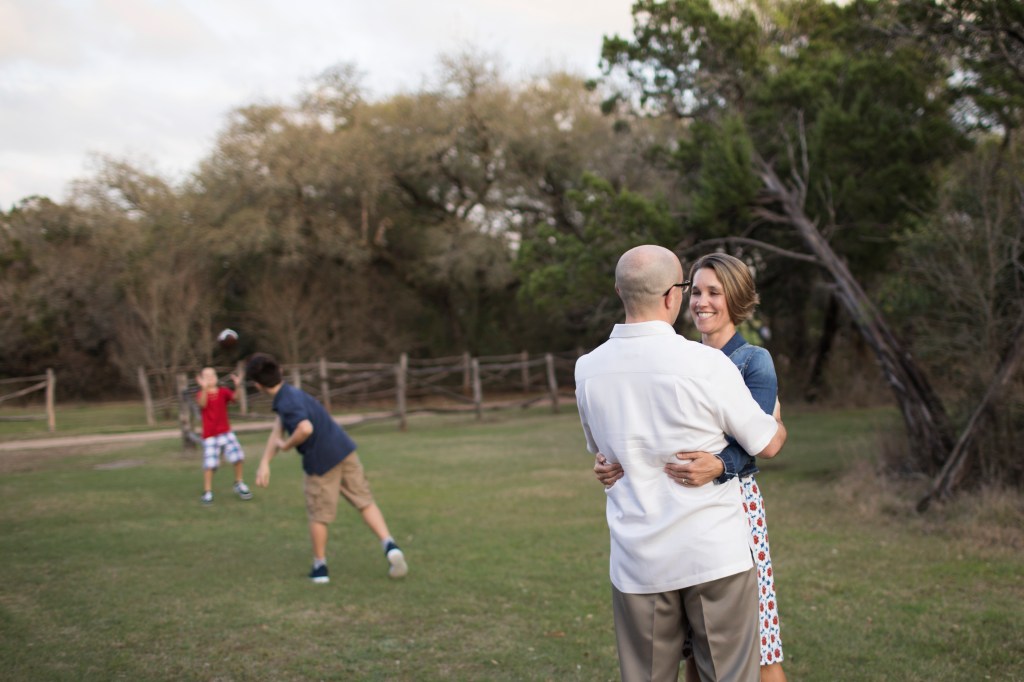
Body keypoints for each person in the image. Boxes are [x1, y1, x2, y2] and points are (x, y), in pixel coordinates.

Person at [576, 245, 786, 682]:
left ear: (619, 291)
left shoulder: (587, 369)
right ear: (674, 296)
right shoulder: (706, 364)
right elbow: (766, 439)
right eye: (694, 290)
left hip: (638, 559)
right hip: (713, 552)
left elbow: (603, 449)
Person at [245, 352, 407, 583]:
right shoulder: (291, 394)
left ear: (257, 385)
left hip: (321, 462)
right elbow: (279, 427)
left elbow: (304, 428)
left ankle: (320, 568)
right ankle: (390, 546)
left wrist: (288, 445)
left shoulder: (286, 401)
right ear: (279, 372)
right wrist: (265, 461)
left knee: (318, 514)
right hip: (344, 449)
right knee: (364, 501)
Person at [195, 367, 253, 505]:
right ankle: (207, 492)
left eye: (212, 375)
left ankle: (239, 483)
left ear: (216, 377)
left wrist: (238, 386)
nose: (210, 377)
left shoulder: (223, 392)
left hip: (225, 432)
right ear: (201, 379)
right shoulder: (201, 394)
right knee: (210, 464)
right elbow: (202, 404)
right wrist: (204, 389)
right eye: (206, 376)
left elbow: (235, 398)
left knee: (238, 457)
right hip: (210, 435)